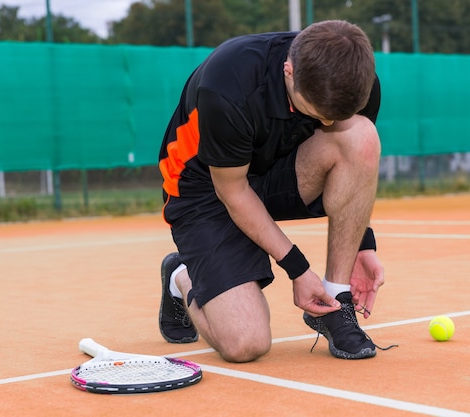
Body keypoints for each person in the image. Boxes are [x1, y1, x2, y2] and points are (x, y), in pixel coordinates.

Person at [158, 20, 384, 363]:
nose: (325, 124)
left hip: (274, 168)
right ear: (288, 71)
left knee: (360, 134)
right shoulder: (228, 85)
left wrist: (360, 245)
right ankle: (181, 276)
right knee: (245, 344)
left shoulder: (352, 80)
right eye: (316, 113)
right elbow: (233, 192)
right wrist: (298, 268)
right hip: (205, 189)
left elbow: (353, 169)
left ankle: (336, 302)